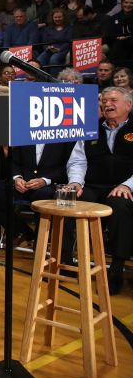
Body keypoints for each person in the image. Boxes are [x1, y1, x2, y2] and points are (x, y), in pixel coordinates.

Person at [65, 86, 133, 294]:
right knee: (69, 200)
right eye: (104, 101)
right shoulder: (90, 128)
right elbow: (77, 161)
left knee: (120, 205)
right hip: (94, 186)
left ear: (128, 105)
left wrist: (127, 185)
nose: (107, 104)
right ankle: (66, 261)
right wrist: (76, 182)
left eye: (113, 100)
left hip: (125, 187)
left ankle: (117, 267)